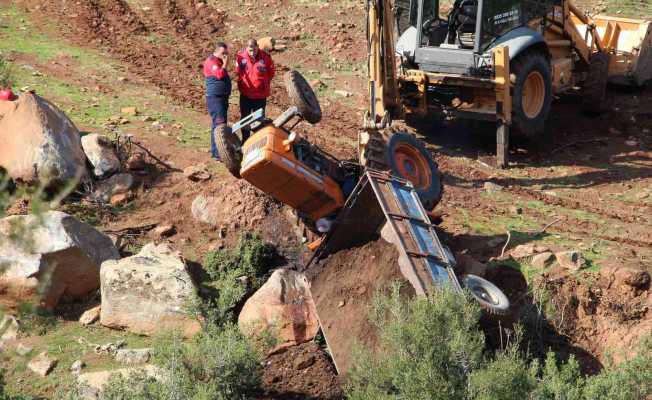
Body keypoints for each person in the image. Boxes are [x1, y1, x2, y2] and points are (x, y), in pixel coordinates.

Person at [235, 38, 275, 142]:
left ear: (257, 47)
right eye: (250, 50)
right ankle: (245, 141)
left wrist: (262, 84)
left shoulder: (265, 57)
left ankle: (258, 141)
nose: (252, 52)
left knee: (259, 120)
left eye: (254, 50)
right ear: (246, 48)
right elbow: (238, 72)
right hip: (245, 94)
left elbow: (271, 73)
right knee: (245, 119)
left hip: (260, 96)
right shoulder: (240, 57)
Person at [203, 42, 232, 160]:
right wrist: (225, 64)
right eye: (223, 53)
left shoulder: (218, 61)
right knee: (218, 124)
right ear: (216, 51)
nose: (225, 55)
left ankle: (219, 151)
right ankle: (217, 153)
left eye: (226, 53)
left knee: (221, 124)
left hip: (222, 97)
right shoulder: (211, 61)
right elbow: (219, 74)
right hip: (215, 98)